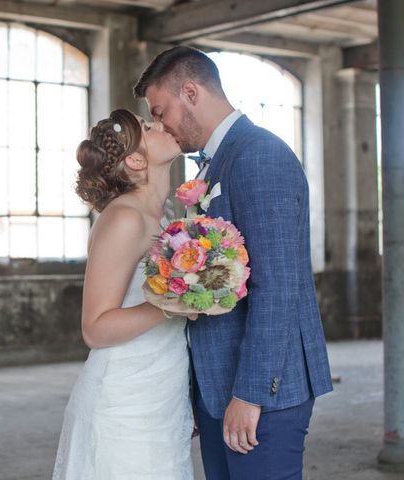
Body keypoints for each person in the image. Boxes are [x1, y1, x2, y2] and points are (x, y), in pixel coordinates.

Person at [134, 46, 333, 480]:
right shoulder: (209, 167)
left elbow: (277, 287)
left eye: (161, 110)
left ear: (190, 92)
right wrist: (197, 393)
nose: (161, 124)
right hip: (217, 385)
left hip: (261, 393)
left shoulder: (259, 155)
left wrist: (250, 394)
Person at [52, 109, 194, 479]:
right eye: (149, 127)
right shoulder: (125, 218)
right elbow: (95, 328)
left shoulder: (162, 217)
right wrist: (173, 304)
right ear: (135, 159)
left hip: (161, 392)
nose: (162, 124)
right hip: (123, 403)